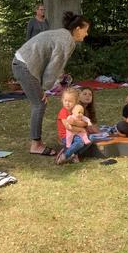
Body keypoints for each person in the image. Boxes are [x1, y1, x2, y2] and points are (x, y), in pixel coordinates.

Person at [12, 11, 91, 157]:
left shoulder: (63, 34)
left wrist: (48, 86)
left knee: (40, 102)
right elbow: (53, 67)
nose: (86, 34)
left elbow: (54, 64)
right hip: (24, 66)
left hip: (23, 64)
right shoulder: (67, 41)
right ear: (78, 29)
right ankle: (35, 145)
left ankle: (37, 142)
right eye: (86, 31)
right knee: (39, 104)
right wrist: (44, 89)